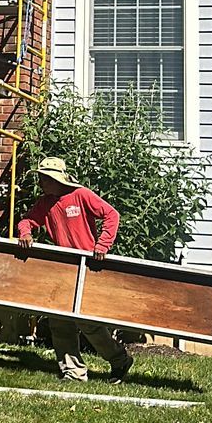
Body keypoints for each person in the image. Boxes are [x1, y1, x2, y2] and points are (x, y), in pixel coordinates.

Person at [16, 156, 134, 382]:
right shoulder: (45, 203)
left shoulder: (81, 195)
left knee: (88, 325)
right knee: (59, 322)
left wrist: (102, 245)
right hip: (63, 268)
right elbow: (27, 221)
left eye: (44, 179)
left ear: (56, 179)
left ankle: (120, 359)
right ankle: (74, 373)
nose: (41, 183)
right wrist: (25, 233)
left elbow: (112, 215)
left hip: (88, 268)